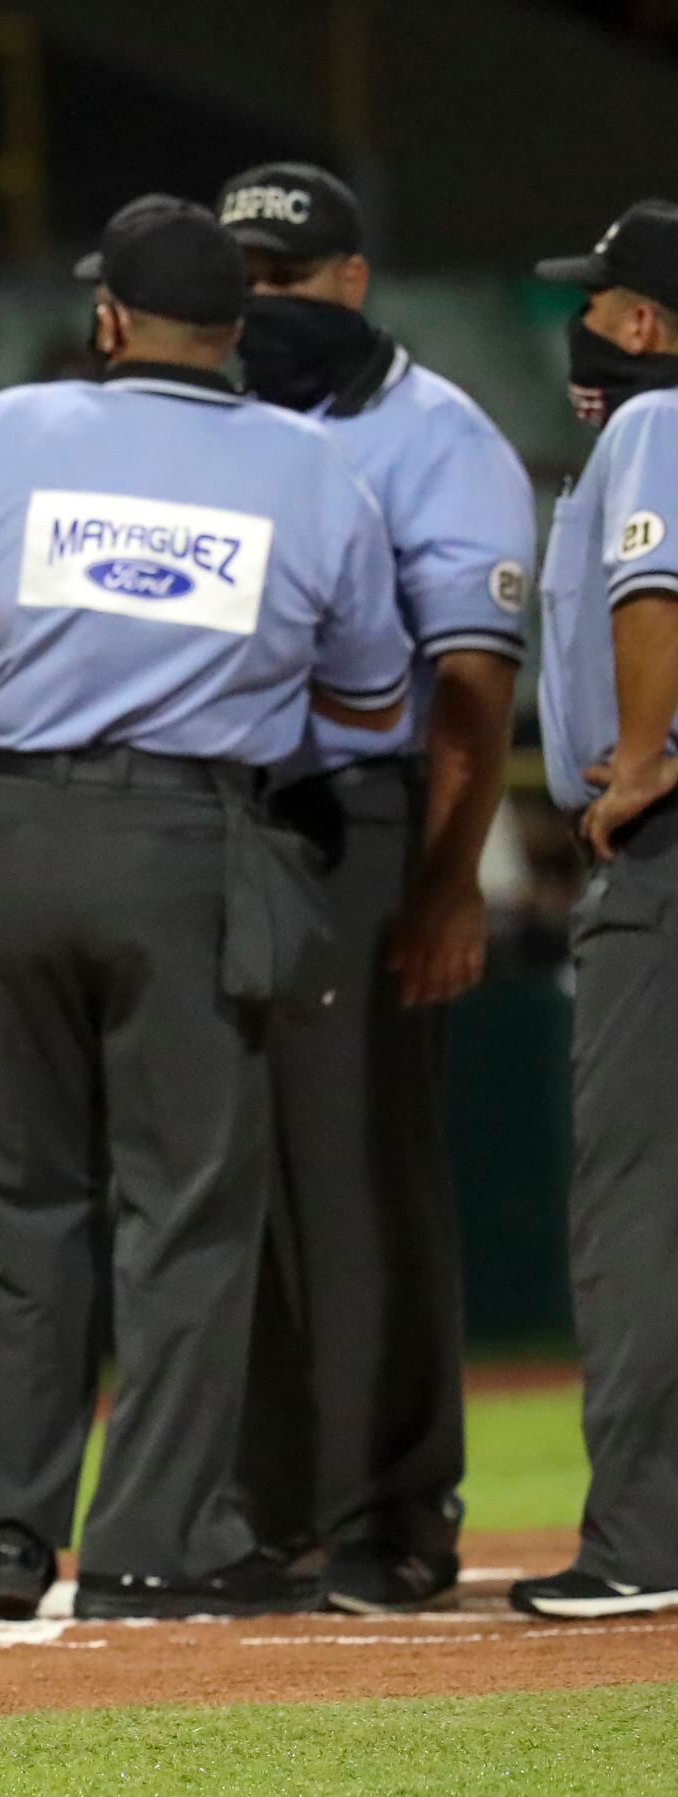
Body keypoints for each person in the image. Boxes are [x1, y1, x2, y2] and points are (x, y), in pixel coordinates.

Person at [0, 197, 412, 1626]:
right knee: (187, 1209)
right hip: (192, 838)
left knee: (20, 1199)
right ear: (235, 329)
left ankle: (0, 1542)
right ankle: (156, 1543)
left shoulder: (6, 432)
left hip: (17, 835)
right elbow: (371, 699)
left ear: (109, 319)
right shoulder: (310, 464)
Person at [217, 162, 536, 1614]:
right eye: (243, 283)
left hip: (360, 819)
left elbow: (473, 681)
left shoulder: (436, 435)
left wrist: (448, 883)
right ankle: (264, 1503)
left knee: (359, 1178)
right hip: (215, 816)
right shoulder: (209, 420)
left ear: (351, 278)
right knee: (229, 1178)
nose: (261, 307)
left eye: (286, 281)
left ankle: (392, 1515)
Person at [520, 200, 678, 1620]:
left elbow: (654, 585)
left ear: (639, 320)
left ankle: (645, 1540)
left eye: (602, 302)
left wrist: (640, 765)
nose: (585, 325)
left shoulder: (654, 424)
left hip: (672, 852)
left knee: (641, 1192)